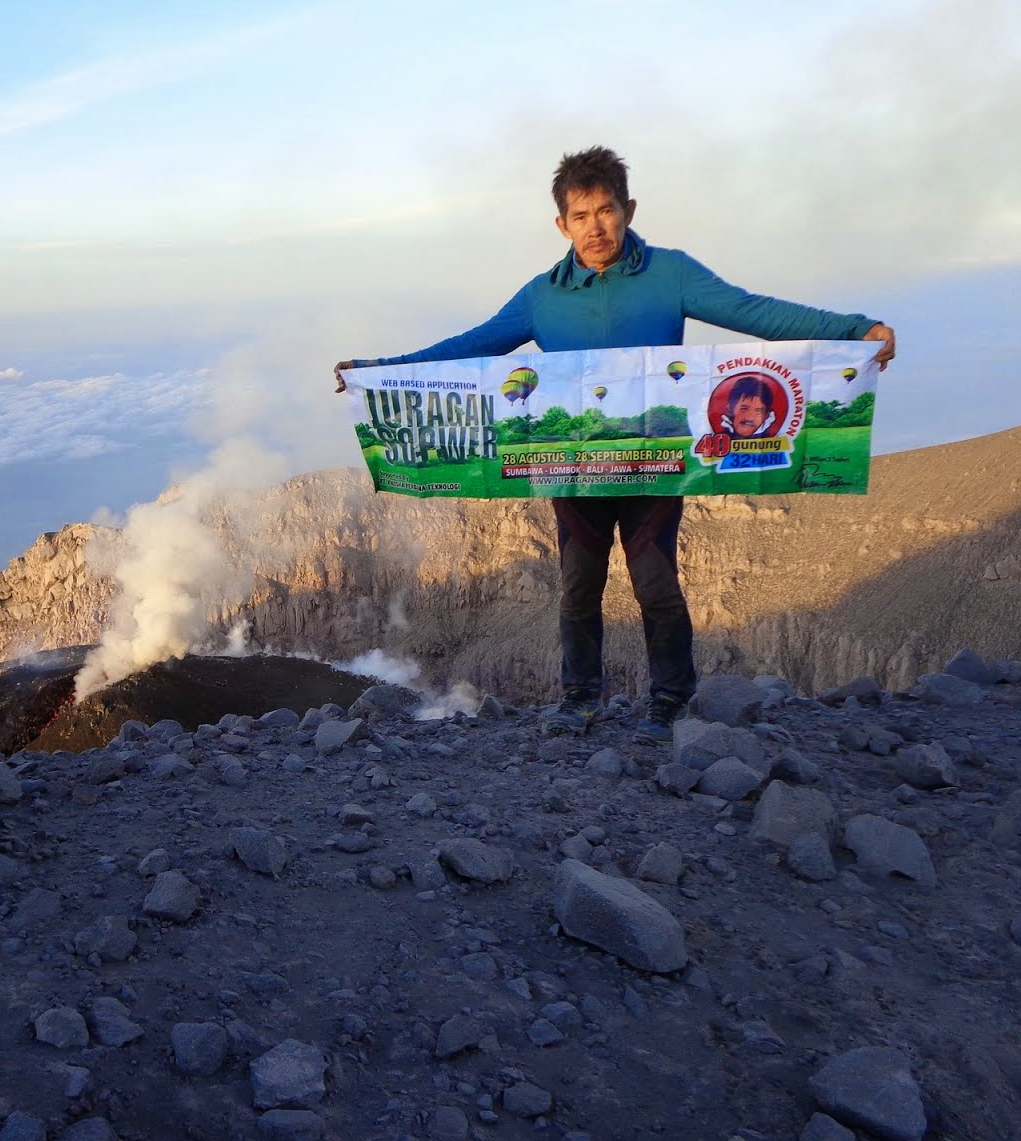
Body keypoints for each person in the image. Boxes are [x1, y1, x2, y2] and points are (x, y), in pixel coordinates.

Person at [333, 146, 895, 743]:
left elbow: (751, 312)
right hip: (574, 465)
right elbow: (474, 346)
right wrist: (381, 369)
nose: (595, 227)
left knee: (655, 583)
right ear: (561, 224)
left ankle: (671, 699)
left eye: (606, 211)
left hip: (655, 463)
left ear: (627, 209)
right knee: (578, 583)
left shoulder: (669, 273)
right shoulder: (541, 296)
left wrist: (853, 331)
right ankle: (579, 697)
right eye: (580, 216)